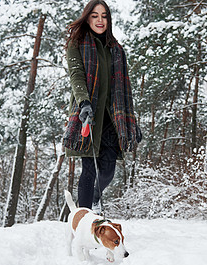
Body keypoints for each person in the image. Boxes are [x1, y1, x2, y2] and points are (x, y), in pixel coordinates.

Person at [62, 0, 141, 212]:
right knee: (88, 169)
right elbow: (76, 76)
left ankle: (96, 195)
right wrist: (83, 102)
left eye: (104, 16)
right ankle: (84, 219)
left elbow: (125, 87)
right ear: (87, 18)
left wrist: (130, 120)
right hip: (88, 114)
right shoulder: (76, 44)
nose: (99, 20)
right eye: (95, 15)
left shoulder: (115, 49)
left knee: (108, 170)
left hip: (112, 117)